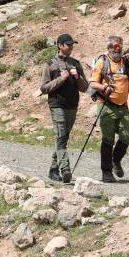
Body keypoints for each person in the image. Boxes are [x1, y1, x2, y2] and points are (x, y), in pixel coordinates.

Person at [87, 35, 129, 183]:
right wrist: (104, 87)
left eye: (119, 47)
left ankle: (116, 160)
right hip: (106, 105)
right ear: (109, 48)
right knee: (108, 139)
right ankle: (106, 171)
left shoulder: (126, 63)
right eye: (114, 46)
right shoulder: (102, 62)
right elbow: (92, 84)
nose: (117, 49)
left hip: (123, 106)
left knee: (127, 136)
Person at [39, 33, 88, 183]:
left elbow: (85, 88)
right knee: (61, 137)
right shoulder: (50, 64)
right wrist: (61, 79)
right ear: (60, 46)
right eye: (68, 45)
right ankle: (65, 169)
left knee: (63, 138)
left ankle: (53, 170)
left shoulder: (76, 64)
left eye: (72, 44)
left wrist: (77, 77)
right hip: (57, 105)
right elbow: (44, 88)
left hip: (72, 105)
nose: (71, 47)